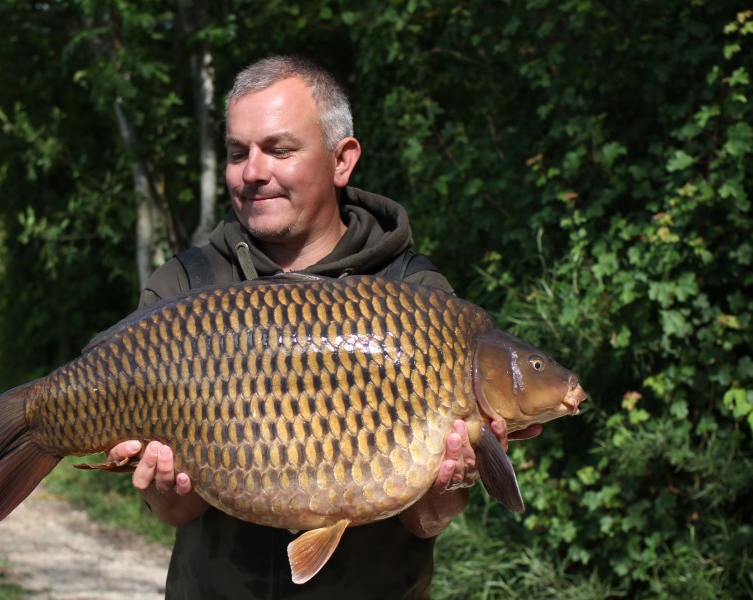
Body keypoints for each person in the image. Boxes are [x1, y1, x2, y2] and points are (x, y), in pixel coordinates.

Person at [108, 55, 540, 599]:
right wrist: (167, 488)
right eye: (239, 153)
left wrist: (451, 484)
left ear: (342, 160)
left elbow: (427, 519)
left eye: (279, 149)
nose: (253, 171)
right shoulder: (185, 290)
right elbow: (172, 510)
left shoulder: (419, 298)